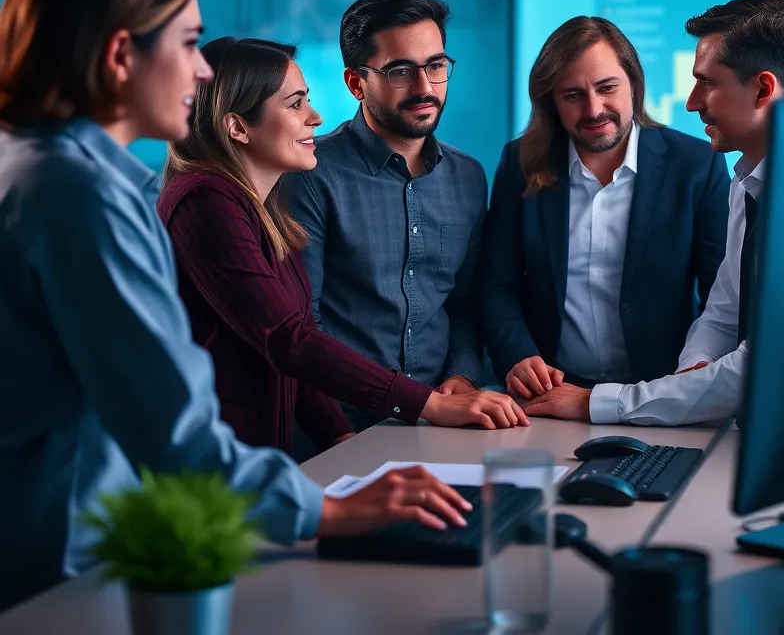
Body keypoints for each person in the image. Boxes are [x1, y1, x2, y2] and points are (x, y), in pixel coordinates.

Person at [0, 0, 471, 611]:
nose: (201, 72)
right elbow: (174, 426)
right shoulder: (81, 195)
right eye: (190, 44)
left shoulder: (38, 167)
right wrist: (331, 512)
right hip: (61, 563)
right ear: (120, 55)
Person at [158, 36, 527, 457]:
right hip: (216, 462)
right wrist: (431, 405)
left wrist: (340, 439)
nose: (314, 117)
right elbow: (288, 338)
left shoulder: (262, 205)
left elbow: (291, 344)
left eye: (307, 100)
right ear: (238, 126)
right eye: (295, 104)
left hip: (259, 456)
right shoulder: (205, 201)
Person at [522, 0, 784, 426]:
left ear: (763, 88)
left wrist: (596, 403)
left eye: (708, 83)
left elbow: (762, 366)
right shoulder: (748, 181)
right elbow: (723, 309)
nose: (691, 101)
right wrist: (692, 373)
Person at [480, 17, 729, 398]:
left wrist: (698, 373)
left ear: (634, 85)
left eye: (606, 87)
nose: (594, 109)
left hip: (658, 395)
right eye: (573, 95)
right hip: (550, 395)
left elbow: (721, 295)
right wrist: (517, 356)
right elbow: (497, 284)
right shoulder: (520, 163)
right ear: (553, 104)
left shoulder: (695, 164)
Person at [284, 0, 489, 430]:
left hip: (445, 421)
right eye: (401, 71)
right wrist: (336, 432)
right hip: (343, 426)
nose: (425, 88)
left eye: (436, 66)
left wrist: (463, 374)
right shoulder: (310, 175)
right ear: (357, 83)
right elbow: (302, 328)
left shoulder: (469, 177)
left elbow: (466, 304)